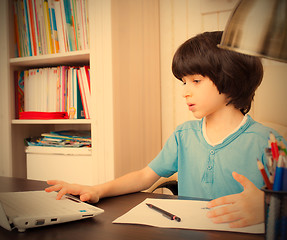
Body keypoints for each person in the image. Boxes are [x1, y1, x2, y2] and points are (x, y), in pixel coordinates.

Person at [45, 31, 287, 228]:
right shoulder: (184, 135)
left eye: (196, 81)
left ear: (230, 78)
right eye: (183, 82)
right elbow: (144, 176)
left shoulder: (269, 141)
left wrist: (270, 207)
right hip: (188, 230)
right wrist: (96, 189)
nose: (185, 91)